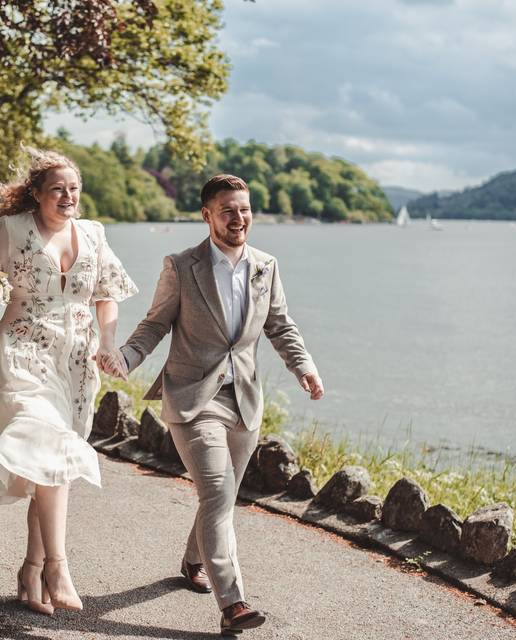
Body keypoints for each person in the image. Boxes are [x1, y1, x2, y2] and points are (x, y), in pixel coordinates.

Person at [102, 174, 323, 635]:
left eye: (244, 209)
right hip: (192, 396)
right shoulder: (182, 266)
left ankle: (190, 561)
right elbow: (155, 324)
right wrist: (126, 356)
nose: (238, 218)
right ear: (207, 216)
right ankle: (234, 602)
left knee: (218, 498)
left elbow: (280, 325)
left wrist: (303, 367)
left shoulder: (266, 266)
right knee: (219, 494)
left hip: (244, 399)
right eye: (228, 210)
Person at [0, 148, 137, 615]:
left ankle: (30, 570)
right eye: (58, 188)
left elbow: (107, 293)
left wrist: (107, 342)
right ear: (35, 193)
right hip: (22, 351)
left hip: (75, 362)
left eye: (74, 188)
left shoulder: (93, 234)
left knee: (50, 466)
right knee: (50, 449)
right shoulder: (11, 230)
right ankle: (58, 566)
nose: (68, 196)